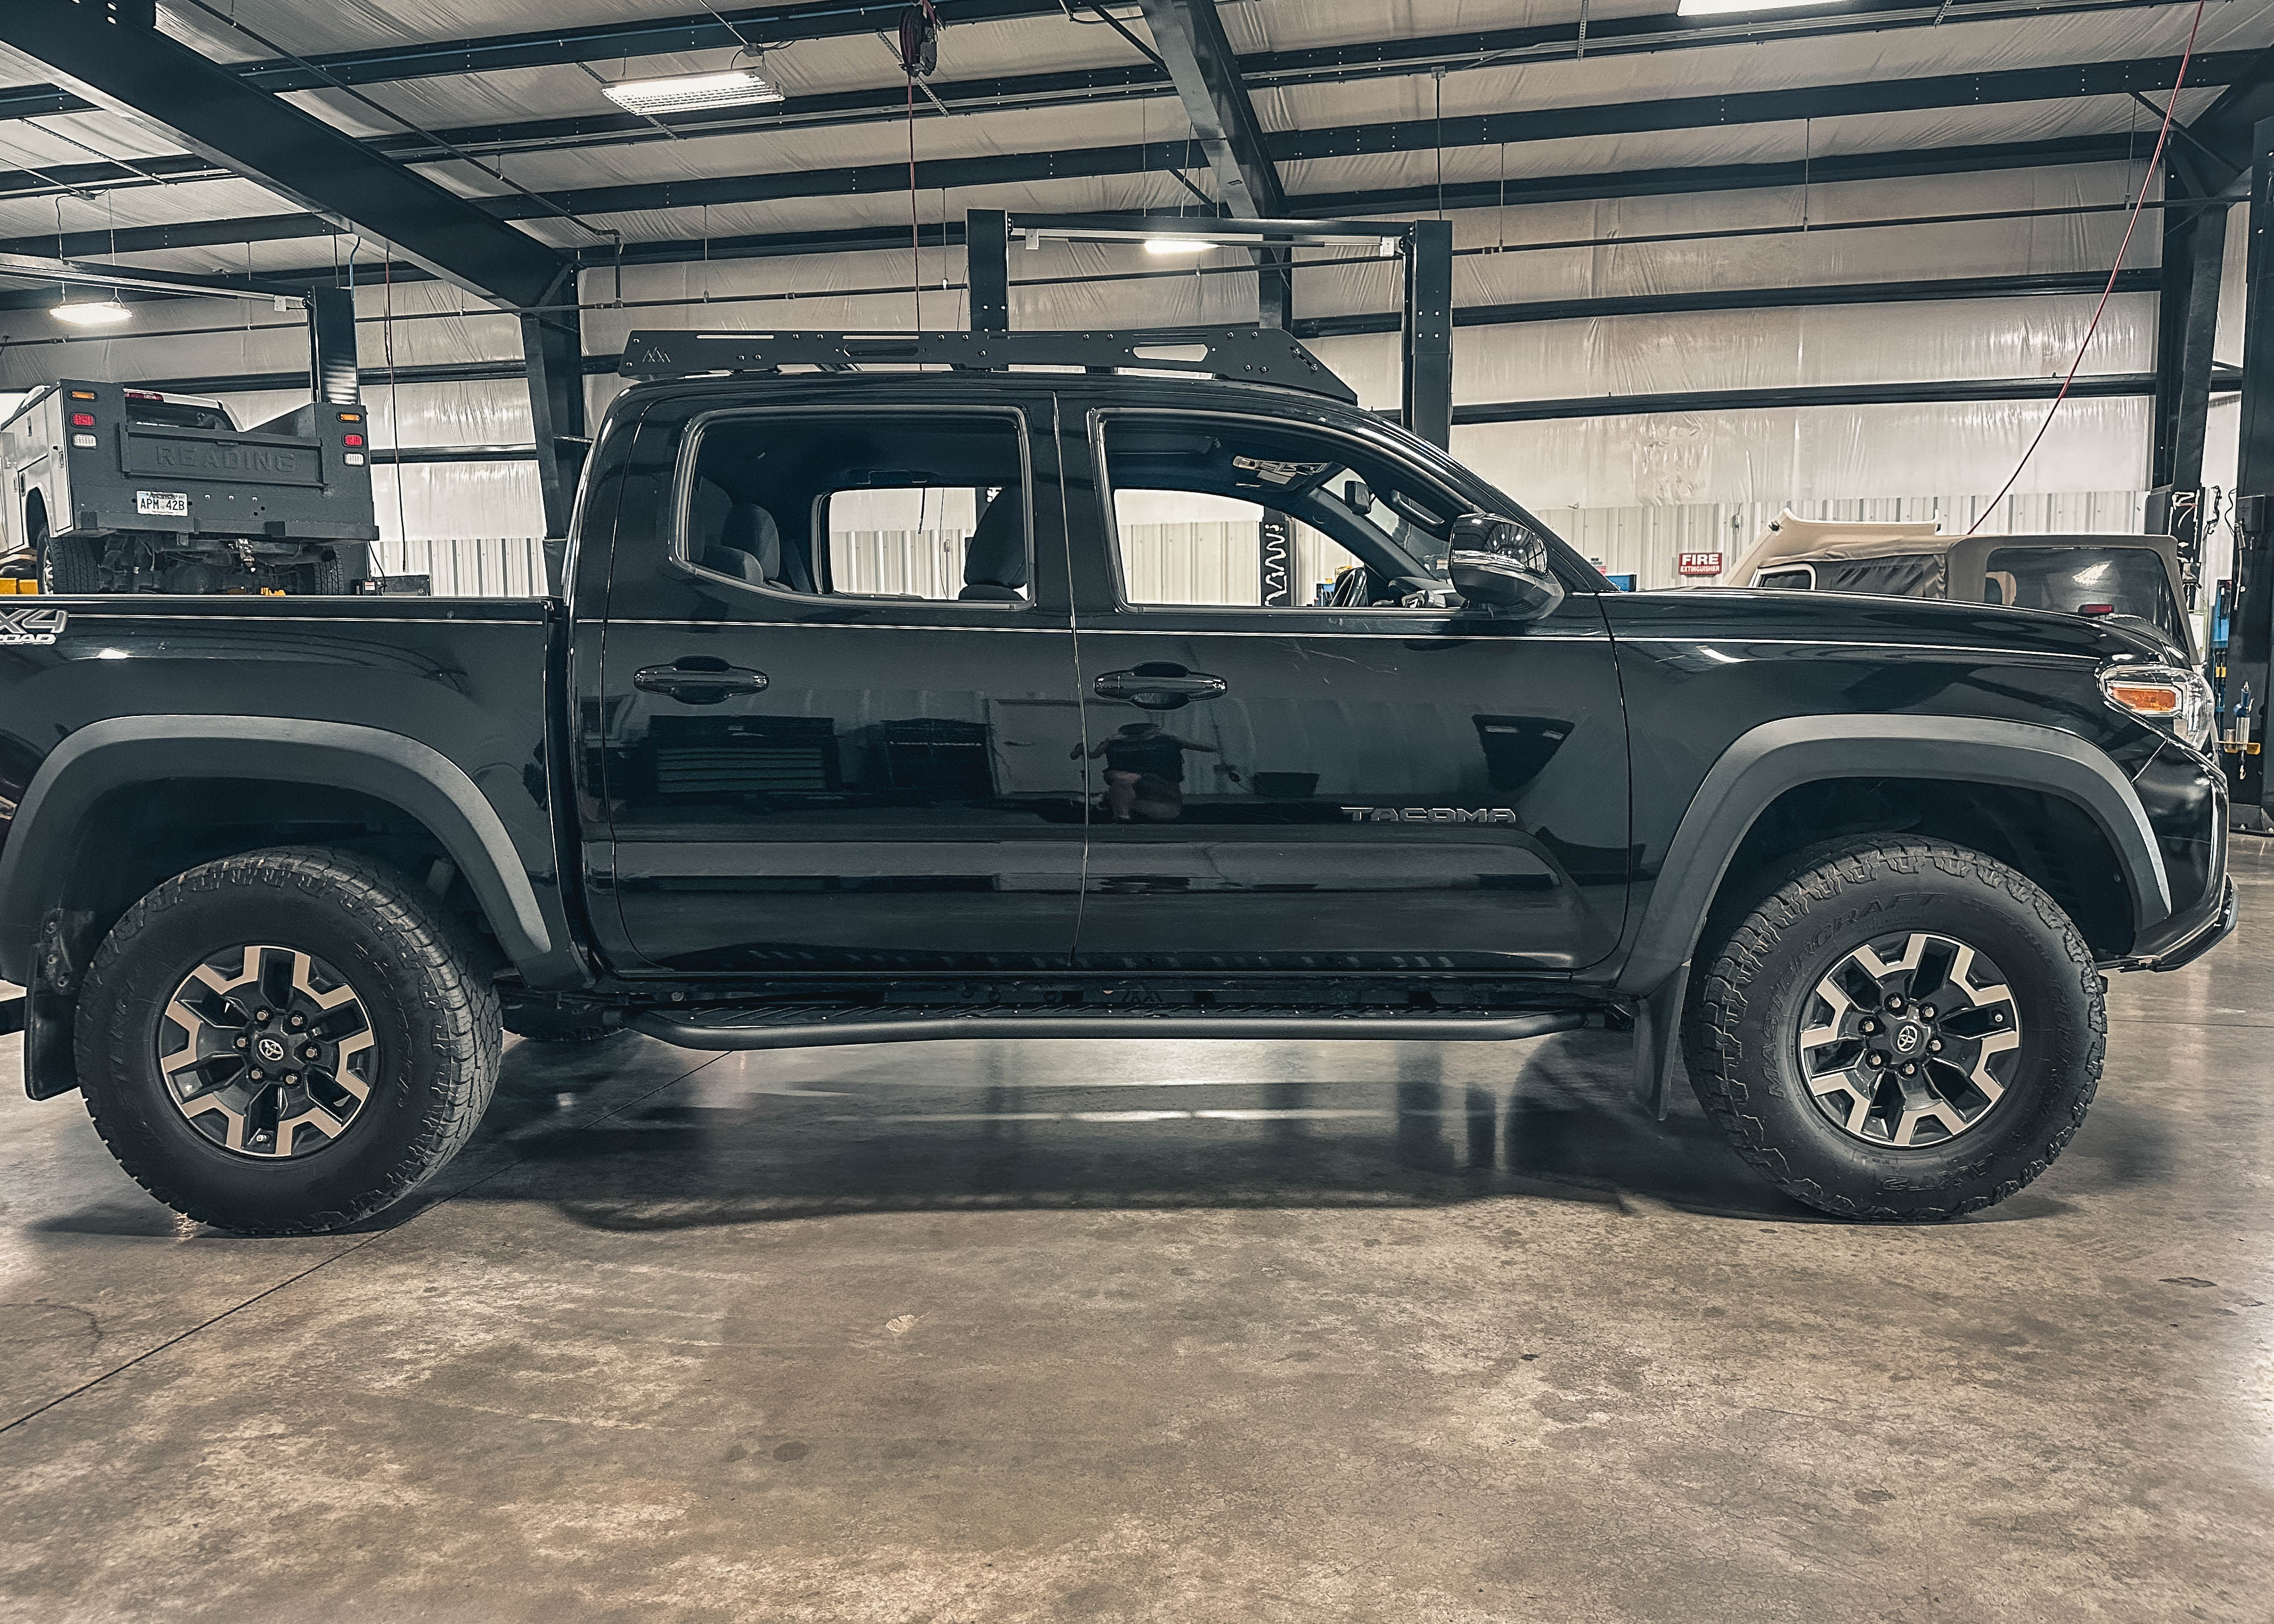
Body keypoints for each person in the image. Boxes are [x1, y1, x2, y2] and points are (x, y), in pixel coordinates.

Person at [1072, 721, 1233, 821]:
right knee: (1124, 780)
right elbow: (1092, 754)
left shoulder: (1167, 739)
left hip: (1165, 802)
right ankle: (1122, 815)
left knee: (1124, 780)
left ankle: (1119, 810)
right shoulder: (1114, 743)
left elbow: (1208, 747)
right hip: (1157, 807)